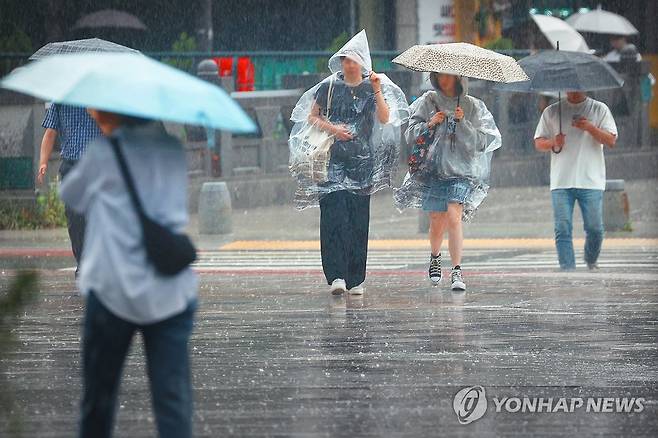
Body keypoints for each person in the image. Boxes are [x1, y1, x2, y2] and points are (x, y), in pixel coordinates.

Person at [59, 110, 197, 438]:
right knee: (172, 400)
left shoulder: (102, 153)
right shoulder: (172, 151)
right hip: (169, 292)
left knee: (99, 399)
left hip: (111, 290)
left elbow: (71, 195)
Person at [288, 30, 408, 296]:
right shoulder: (329, 86)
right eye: (345, 59)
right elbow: (312, 117)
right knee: (333, 217)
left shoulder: (371, 86)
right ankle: (336, 275)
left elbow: (386, 118)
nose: (349, 64)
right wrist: (334, 130)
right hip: (331, 160)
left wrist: (377, 89)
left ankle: (356, 278)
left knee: (357, 219)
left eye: (354, 59)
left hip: (361, 162)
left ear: (363, 61)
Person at [394, 73, 501, 291]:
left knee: (454, 216)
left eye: (448, 76)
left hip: (462, 171)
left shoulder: (472, 106)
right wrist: (430, 124)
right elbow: (410, 134)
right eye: (439, 76)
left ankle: (457, 270)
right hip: (434, 170)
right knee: (436, 218)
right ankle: (435, 257)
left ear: (458, 78)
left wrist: (464, 124)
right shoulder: (428, 101)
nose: (444, 80)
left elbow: (482, 143)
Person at [534, 91, 617, 271]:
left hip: (591, 179)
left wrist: (590, 128)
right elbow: (539, 142)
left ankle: (590, 257)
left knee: (595, 229)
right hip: (561, 181)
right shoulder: (552, 111)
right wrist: (553, 142)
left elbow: (611, 140)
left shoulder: (599, 109)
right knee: (562, 228)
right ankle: (567, 269)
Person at [38, 103, 103, 276]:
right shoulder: (60, 100)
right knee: (75, 219)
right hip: (71, 166)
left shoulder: (102, 97)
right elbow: (50, 132)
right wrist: (43, 161)